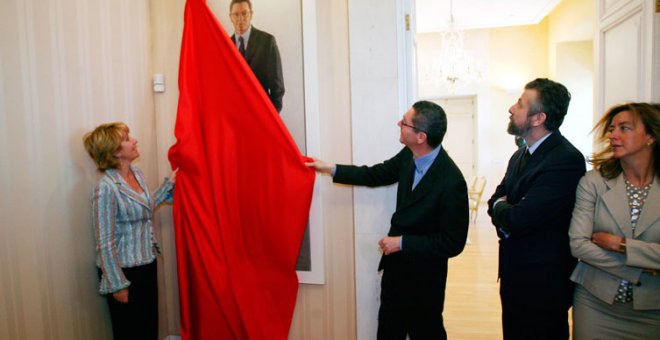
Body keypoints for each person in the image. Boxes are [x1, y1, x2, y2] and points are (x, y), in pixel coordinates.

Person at [306, 101, 469, 339]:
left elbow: (452, 242)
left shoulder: (451, 181)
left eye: (404, 122)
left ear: (421, 136)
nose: (399, 124)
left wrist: (402, 242)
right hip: (396, 270)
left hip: (425, 279)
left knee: (426, 332)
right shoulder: (408, 155)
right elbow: (375, 174)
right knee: (389, 331)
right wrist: (330, 168)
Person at [487, 78, 586, 339]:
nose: (511, 108)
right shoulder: (520, 155)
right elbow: (493, 201)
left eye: (520, 104)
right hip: (513, 276)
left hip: (543, 286)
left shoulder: (566, 159)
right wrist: (502, 206)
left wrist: (503, 208)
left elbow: (519, 218)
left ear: (538, 118)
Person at [569, 102, 660, 339]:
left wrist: (621, 245)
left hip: (654, 309)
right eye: (611, 129)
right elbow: (578, 244)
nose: (613, 135)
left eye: (624, 128)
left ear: (650, 136)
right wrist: (644, 268)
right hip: (595, 303)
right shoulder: (594, 182)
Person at [83, 122, 176, 340]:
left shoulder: (137, 173)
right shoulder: (105, 188)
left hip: (147, 262)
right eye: (126, 139)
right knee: (129, 331)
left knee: (148, 327)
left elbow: (146, 207)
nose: (133, 140)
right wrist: (118, 285)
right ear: (115, 152)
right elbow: (104, 242)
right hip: (124, 272)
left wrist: (170, 184)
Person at [229, 0, 285, 112]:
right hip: (235, 119)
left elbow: (277, 88)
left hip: (261, 116)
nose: (240, 19)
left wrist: (270, 117)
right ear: (230, 17)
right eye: (236, 14)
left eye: (244, 13)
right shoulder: (226, 46)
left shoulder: (267, 42)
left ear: (251, 14)